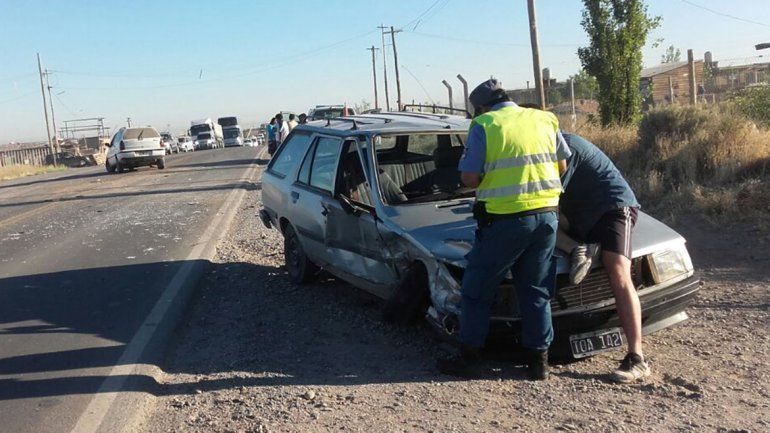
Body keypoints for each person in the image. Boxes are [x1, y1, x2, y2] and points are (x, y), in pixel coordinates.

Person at [437, 79, 571, 381]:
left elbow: (470, 178)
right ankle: (539, 362)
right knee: (535, 289)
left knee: (476, 290)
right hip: (547, 216)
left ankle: (469, 358)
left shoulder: (486, 124)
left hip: (506, 219)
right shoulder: (544, 118)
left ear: (481, 107)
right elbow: (561, 167)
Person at [556, 132, 648, 383]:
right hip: (582, 216)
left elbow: (550, 190)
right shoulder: (539, 146)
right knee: (543, 224)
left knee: (618, 271)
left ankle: (636, 357)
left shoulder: (565, 145)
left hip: (612, 209)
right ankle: (579, 248)